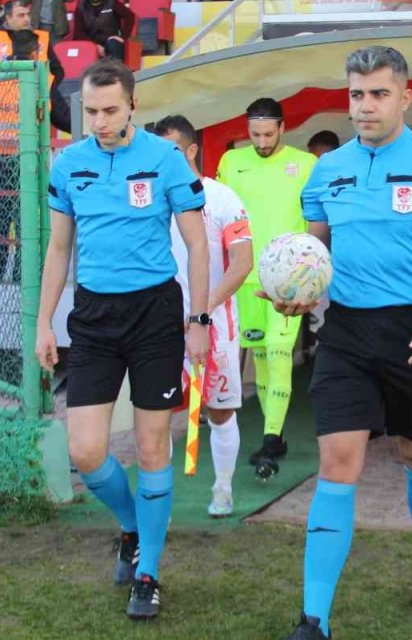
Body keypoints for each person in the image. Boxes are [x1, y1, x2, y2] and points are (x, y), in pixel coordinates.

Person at [273, 45, 412, 640]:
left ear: (406, 98)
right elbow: (313, 256)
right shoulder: (328, 169)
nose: (365, 106)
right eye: (357, 95)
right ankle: (315, 619)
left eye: (379, 94)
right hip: (346, 334)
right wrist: (298, 293)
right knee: (339, 463)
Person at [35, 59, 210, 620]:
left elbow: (199, 245)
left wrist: (199, 320)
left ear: (133, 106)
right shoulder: (69, 163)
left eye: (110, 110)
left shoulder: (164, 159)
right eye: (90, 112)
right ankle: (133, 527)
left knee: (153, 445)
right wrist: (45, 323)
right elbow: (59, 249)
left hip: (156, 313)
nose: (100, 121)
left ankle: (150, 573)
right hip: (93, 315)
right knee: (85, 450)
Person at [154, 114, 254, 518]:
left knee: (219, 409)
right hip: (158, 324)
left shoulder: (222, 198)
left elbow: (242, 262)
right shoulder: (152, 198)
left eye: (172, 150)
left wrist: (202, 310)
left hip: (214, 325)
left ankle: (223, 488)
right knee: (154, 411)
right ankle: (157, 496)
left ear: (192, 150)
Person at [216, 97, 318, 479]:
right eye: (254, 134)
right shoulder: (232, 162)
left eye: (268, 133)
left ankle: (272, 439)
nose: (261, 141)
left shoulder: (307, 165)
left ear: (282, 127)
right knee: (260, 356)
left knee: (278, 353)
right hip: (245, 277)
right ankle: (271, 433)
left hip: (288, 281)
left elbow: (317, 220)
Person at [0, 0, 71, 285]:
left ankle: (20, 273)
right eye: (21, 15)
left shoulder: (41, 41)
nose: (26, 19)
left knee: (25, 215)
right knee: (2, 214)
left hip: (28, 150)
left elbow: (57, 76)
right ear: (7, 19)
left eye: (28, 14)